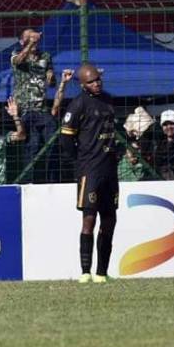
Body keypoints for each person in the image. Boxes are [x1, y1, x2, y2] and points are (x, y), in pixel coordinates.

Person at [59, 63, 121, 284]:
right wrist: (80, 160)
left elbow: (115, 131)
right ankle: (85, 271)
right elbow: (66, 138)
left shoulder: (108, 100)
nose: (97, 83)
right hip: (89, 170)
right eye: (92, 81)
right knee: (89, 219)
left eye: (98, 79)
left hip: (109, 169)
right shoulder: (77, 105)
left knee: (110, 219)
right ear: (83, 85)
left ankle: (102, 273)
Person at [10, 28, 56, 180]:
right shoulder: (16, 53)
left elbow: (50, 77)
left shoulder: (45, 56)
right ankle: (29, 181)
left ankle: (52, 179)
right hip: (26, 110)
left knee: (52, 143)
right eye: (28, 38)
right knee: (32, 146)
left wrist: (51, 77)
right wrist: (30, 45)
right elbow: (18, 62)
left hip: (42, 109)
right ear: (22, 41)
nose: (33, 40)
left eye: (35, 37)